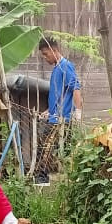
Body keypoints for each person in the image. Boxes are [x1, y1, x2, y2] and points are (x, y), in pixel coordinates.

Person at [34, 35, 82, 183]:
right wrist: (48, 112)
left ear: (54, 50)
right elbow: (59, 95)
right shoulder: (56, 69)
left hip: (62, 118)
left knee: (47, 146)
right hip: (54, 116)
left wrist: (78, 112)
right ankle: (43, 176)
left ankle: (42, 177)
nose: (45, 57)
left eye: (46, 54)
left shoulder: (65, 66)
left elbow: (75, 88)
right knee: (45, 144)